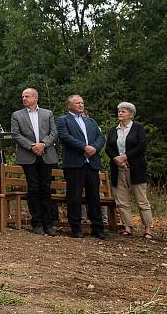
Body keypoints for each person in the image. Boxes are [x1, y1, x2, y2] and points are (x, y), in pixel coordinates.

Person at [56, 95, 106, 239]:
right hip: (74, 164)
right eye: (78, 103)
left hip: (91, 163)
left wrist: (94, 148)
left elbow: (100, 137)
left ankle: (98, 228)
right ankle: (76, 228)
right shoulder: (63, 120)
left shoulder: (90, 121)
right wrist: (84, 147)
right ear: (69, 105)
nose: (81, 105)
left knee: (94, 197)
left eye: (82, 103)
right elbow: (65, 137)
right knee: (74, 197)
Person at [10, 87, 58, 236]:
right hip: (28, 156)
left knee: (46, 188)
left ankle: (48, 224)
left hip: (46, 154)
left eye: (27, 96)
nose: (24, 98)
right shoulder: (17, 115)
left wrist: (43, 144)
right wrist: (32, 146)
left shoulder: (47, 113)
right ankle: (36, 223)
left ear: (35, 98)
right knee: (33, 188)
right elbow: (15, 134)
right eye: (23, 96)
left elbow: (54, 132)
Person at [106, 101, 153, 239]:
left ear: (131, 114)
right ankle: (128, 226)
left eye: (123, 111)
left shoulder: (138, 128)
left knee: (141, 200)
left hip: (135, 169)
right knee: (121, 200)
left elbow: (141, 146)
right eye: (119, 111)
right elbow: (108, 148)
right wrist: (116, 158)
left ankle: (148, 228)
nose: (120, 113)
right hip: (118, 169)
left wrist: (125, 157)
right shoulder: (113, 130)